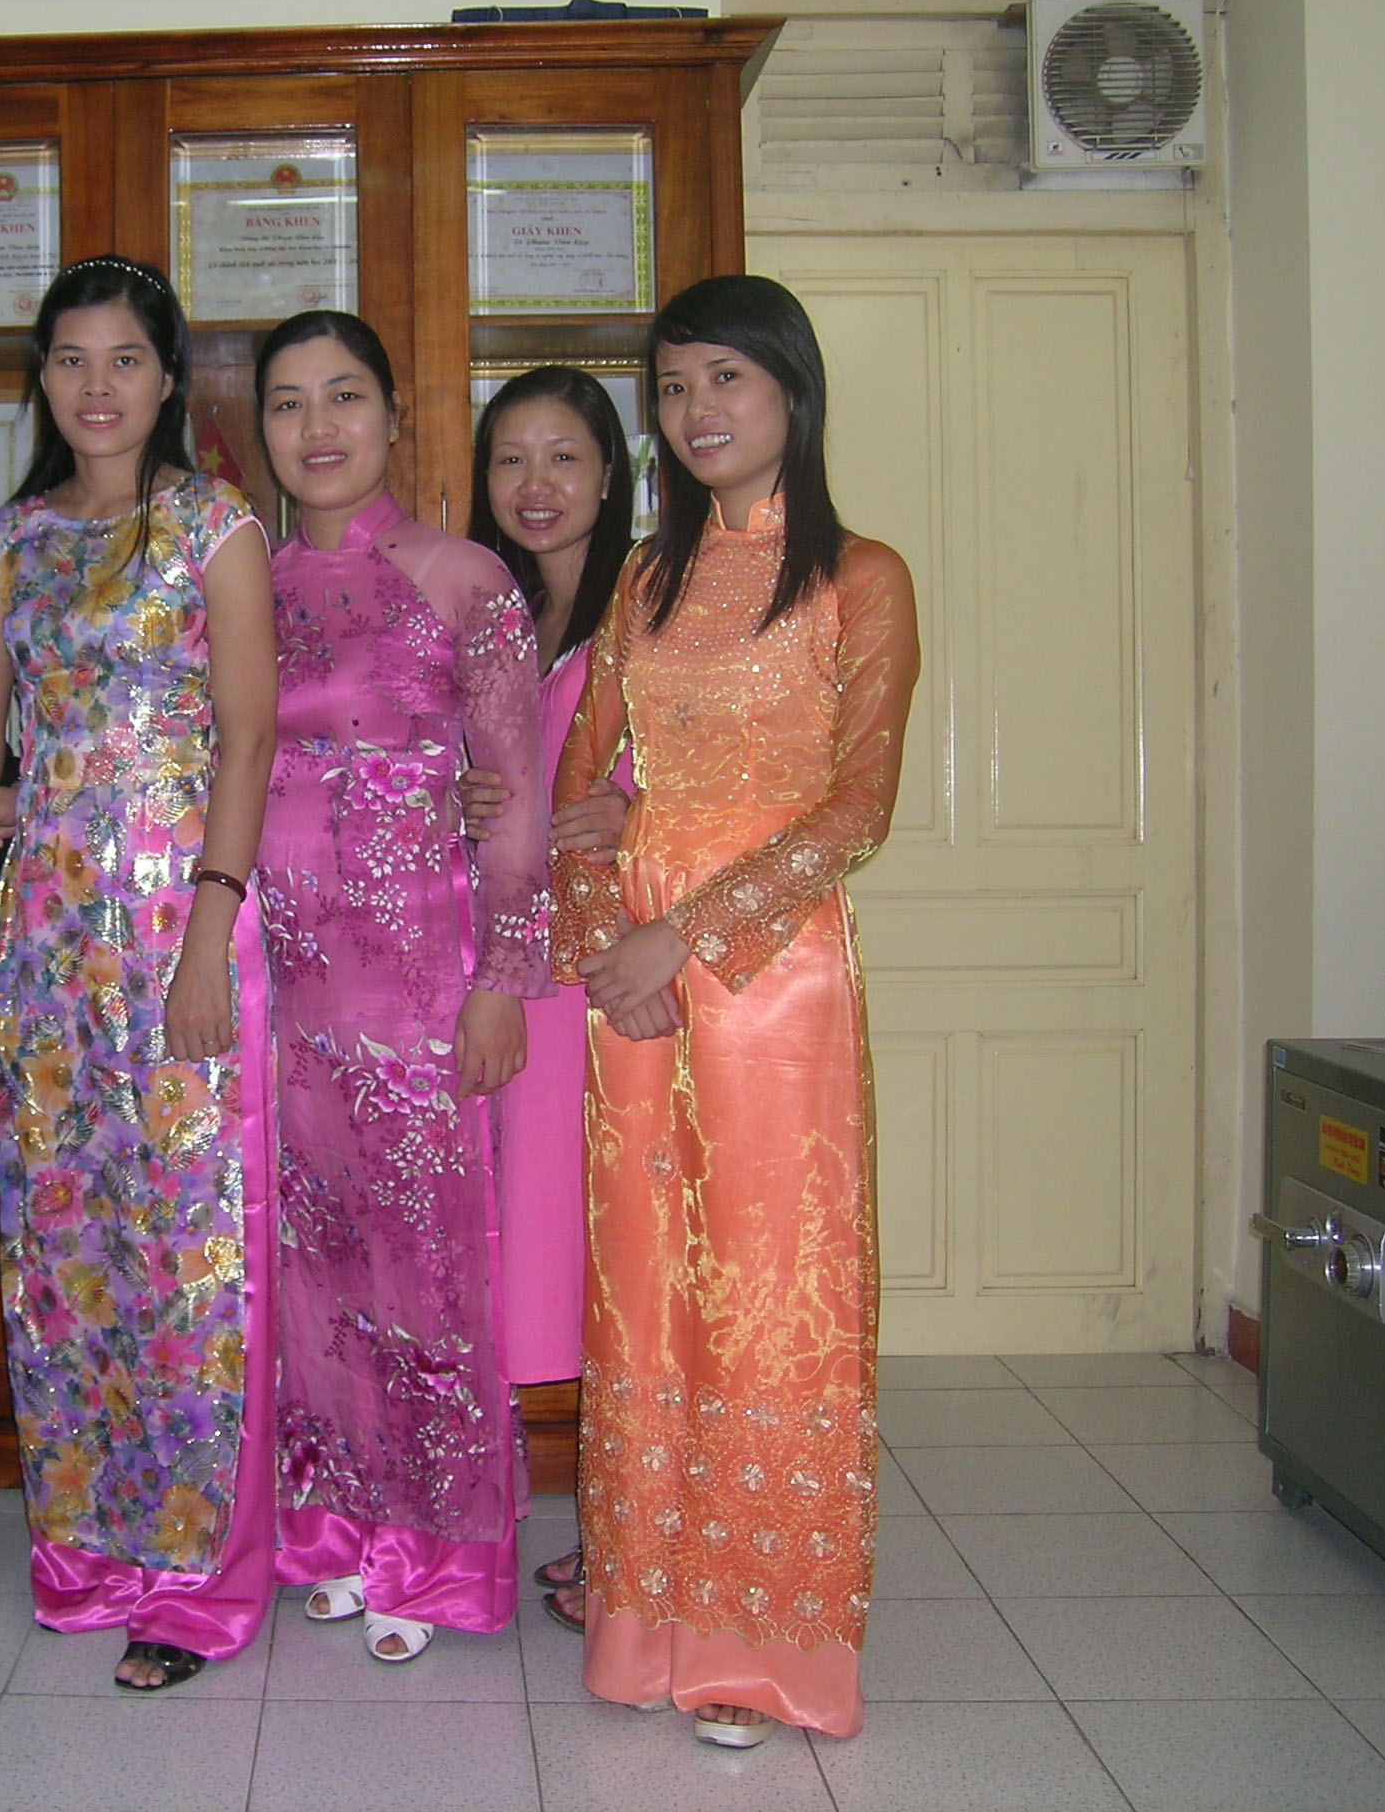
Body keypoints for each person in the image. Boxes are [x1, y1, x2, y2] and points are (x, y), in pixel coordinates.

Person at [548, 274, 918, 1747]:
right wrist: (608, 951)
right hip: (637, 982)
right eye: (675, 384)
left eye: (727, 379)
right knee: (646, 1293)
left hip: (775, 978)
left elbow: (858, 806)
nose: (696, 409)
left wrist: (681, 938)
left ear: (792, 395)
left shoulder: (860, 578)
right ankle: (646, 1627)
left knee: (768, 1291)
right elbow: (582, 789)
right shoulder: (643, 580)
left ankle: (756, 1648)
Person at [0, 256, 278, 1693]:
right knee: (66, 1247)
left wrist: (209, 930)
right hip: (47, 939)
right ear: (43, 379)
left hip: (182, 926)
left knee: (188, 1247)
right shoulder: (6, 544)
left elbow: (249, 740)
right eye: (71, 359)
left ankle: (198, 1576)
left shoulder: (213, 526)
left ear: (167, 377)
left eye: (125, 359)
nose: (97, 385)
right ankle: (87, 1553)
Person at [249, 311, 551, 1663]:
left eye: (344, 397)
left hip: (421, 982)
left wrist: (504, 979)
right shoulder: (245, 585)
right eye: (288, 403)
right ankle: (330, 1529)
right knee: (311, 1269)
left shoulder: (464, 580)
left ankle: (431, 1557)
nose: (317, 428)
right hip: (283, 984)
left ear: (391, 417)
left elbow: (516, 796)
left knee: (426, 1270)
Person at [458, 367, 640, 1604]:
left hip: (606, 979)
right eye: (511, 458)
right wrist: (455, 791)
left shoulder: (653, 608)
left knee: (619, 1255)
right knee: (523, 1250)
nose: (536, 484)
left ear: (611, 474)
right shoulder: (489, 615)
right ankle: (539, 1509)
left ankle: (639, 1533)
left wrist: (637, 813)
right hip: (501, 968)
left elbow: (735, 769)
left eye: (564, 456)